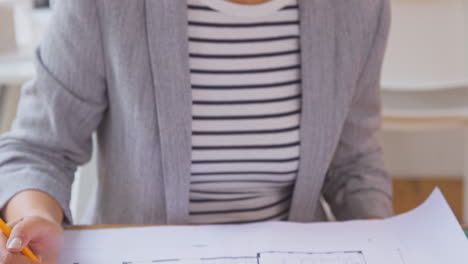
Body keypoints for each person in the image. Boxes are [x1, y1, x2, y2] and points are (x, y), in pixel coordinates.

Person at [0, 0, 392, 263]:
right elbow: (41, 149)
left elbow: (353, 162)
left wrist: (385, 240)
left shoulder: (358, 10)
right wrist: (33, 220)